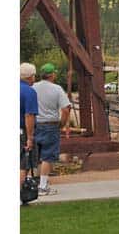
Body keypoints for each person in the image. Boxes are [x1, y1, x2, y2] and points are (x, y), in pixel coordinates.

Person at [32, 63, 71, 195]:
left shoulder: (33, 87)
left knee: (35, 156)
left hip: (34, 124)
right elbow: (66, 109)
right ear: (52, 75)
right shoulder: (57, 89)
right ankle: (43, 186)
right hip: (51, 125)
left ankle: (31, 182)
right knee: (47, 157)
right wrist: (62, 123)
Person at [20, 63, 38, 184]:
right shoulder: (29, 92)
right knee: (23, 164)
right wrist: (30, 138)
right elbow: (29, 116)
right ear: (30, 76)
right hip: (22, 131)